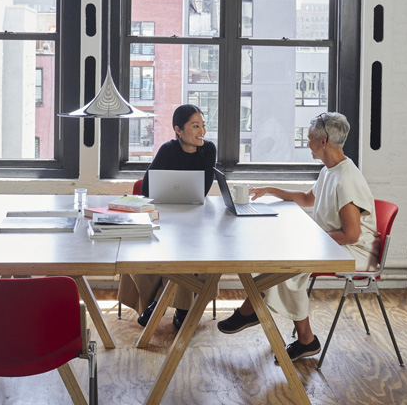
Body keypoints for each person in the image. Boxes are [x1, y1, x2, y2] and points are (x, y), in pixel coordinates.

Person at [216, 112, 378, 363]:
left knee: (288, 268)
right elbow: (306, 199)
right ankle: (255, 313)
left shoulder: (346, 178)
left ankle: (300, 337)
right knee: (278, 260)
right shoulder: (331, 170)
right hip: (333, 243)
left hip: (354, 251)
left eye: (310, 138)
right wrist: (269, 190)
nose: (307, 143)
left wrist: (310, 239)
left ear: (323, 141)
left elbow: (352, 234)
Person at [117, 104, 217, 330]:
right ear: (178, 130)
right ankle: (178, 309)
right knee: (159, 251)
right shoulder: (168, 149)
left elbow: (203, 189)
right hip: (165, 217)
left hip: (194, 219)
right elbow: (148, 187)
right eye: (195, 126)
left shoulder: (208, 150)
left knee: (188, 252)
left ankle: (156, 306)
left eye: (202, 126)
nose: (201, 131)